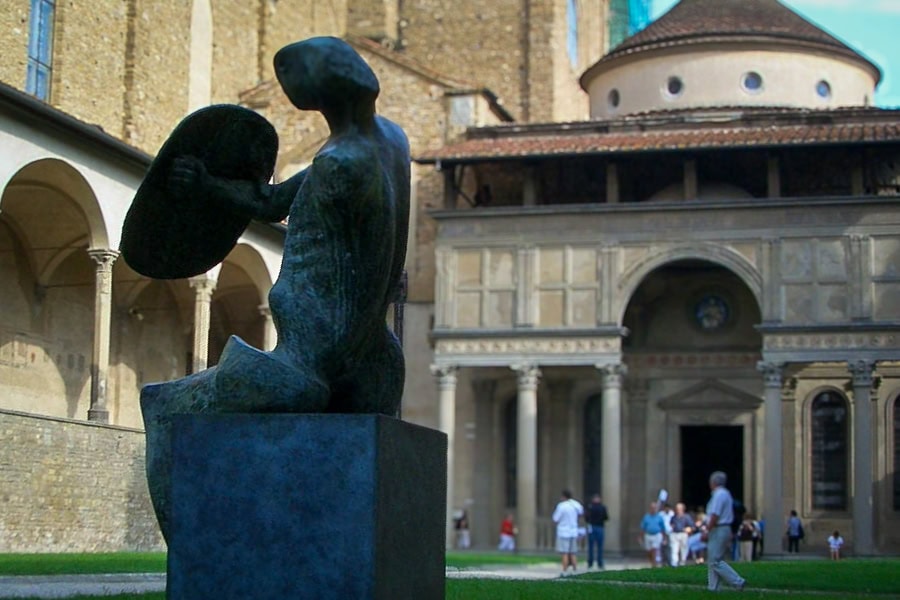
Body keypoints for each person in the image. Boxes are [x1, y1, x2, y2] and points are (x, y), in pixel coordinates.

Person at [700, 471, 746, 592]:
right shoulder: (724, 494)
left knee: (715, 560)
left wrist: (707, 530)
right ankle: (713, 588)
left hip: (719, 528)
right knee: (712, 560)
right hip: (721, 528)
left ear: (713, 482)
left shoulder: (719, 495)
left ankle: (737, 581)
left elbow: (715, 514)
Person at [552, 490, 584, 576]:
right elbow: (581, 513)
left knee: (564, 552)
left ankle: (564, 570)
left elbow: (555, 518)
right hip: (573, 531)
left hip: (563, 531)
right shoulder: (576, 504)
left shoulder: (561, 506)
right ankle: (575, 569)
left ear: (563, 496)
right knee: (573, 552)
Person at [585, 494, 609, 569]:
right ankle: (599, 563)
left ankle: (590, 563)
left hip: (592, 527)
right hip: (599, 527)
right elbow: (606, 517)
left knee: (591, 546)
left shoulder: (590, 507)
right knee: (599, 546)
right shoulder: (602, 507)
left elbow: (586, 517)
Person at [639, 502, 666, 568]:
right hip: (648, 535)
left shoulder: (659, 517)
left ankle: (654, 565)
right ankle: (652, 562)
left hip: (657, 535)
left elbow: (662, 528)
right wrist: (640, 536)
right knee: (649, 551)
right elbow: (643, 527)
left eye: (655, 508)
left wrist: (664, 537)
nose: (653, 509)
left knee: (654, 549)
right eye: (652, 508)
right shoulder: (646, 517)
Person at [669, 502, 693, 567]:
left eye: (679, 508)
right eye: (676, 508)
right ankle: (674, 564)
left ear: (682, 509)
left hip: (683, 534)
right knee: (674, 549)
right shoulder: (673, 517)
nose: (677, 510)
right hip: (675, 534)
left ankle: (682, 563)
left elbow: (692, 526)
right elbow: (671, 524)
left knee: (684, 550)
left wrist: (688, 529)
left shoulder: (686, 517)